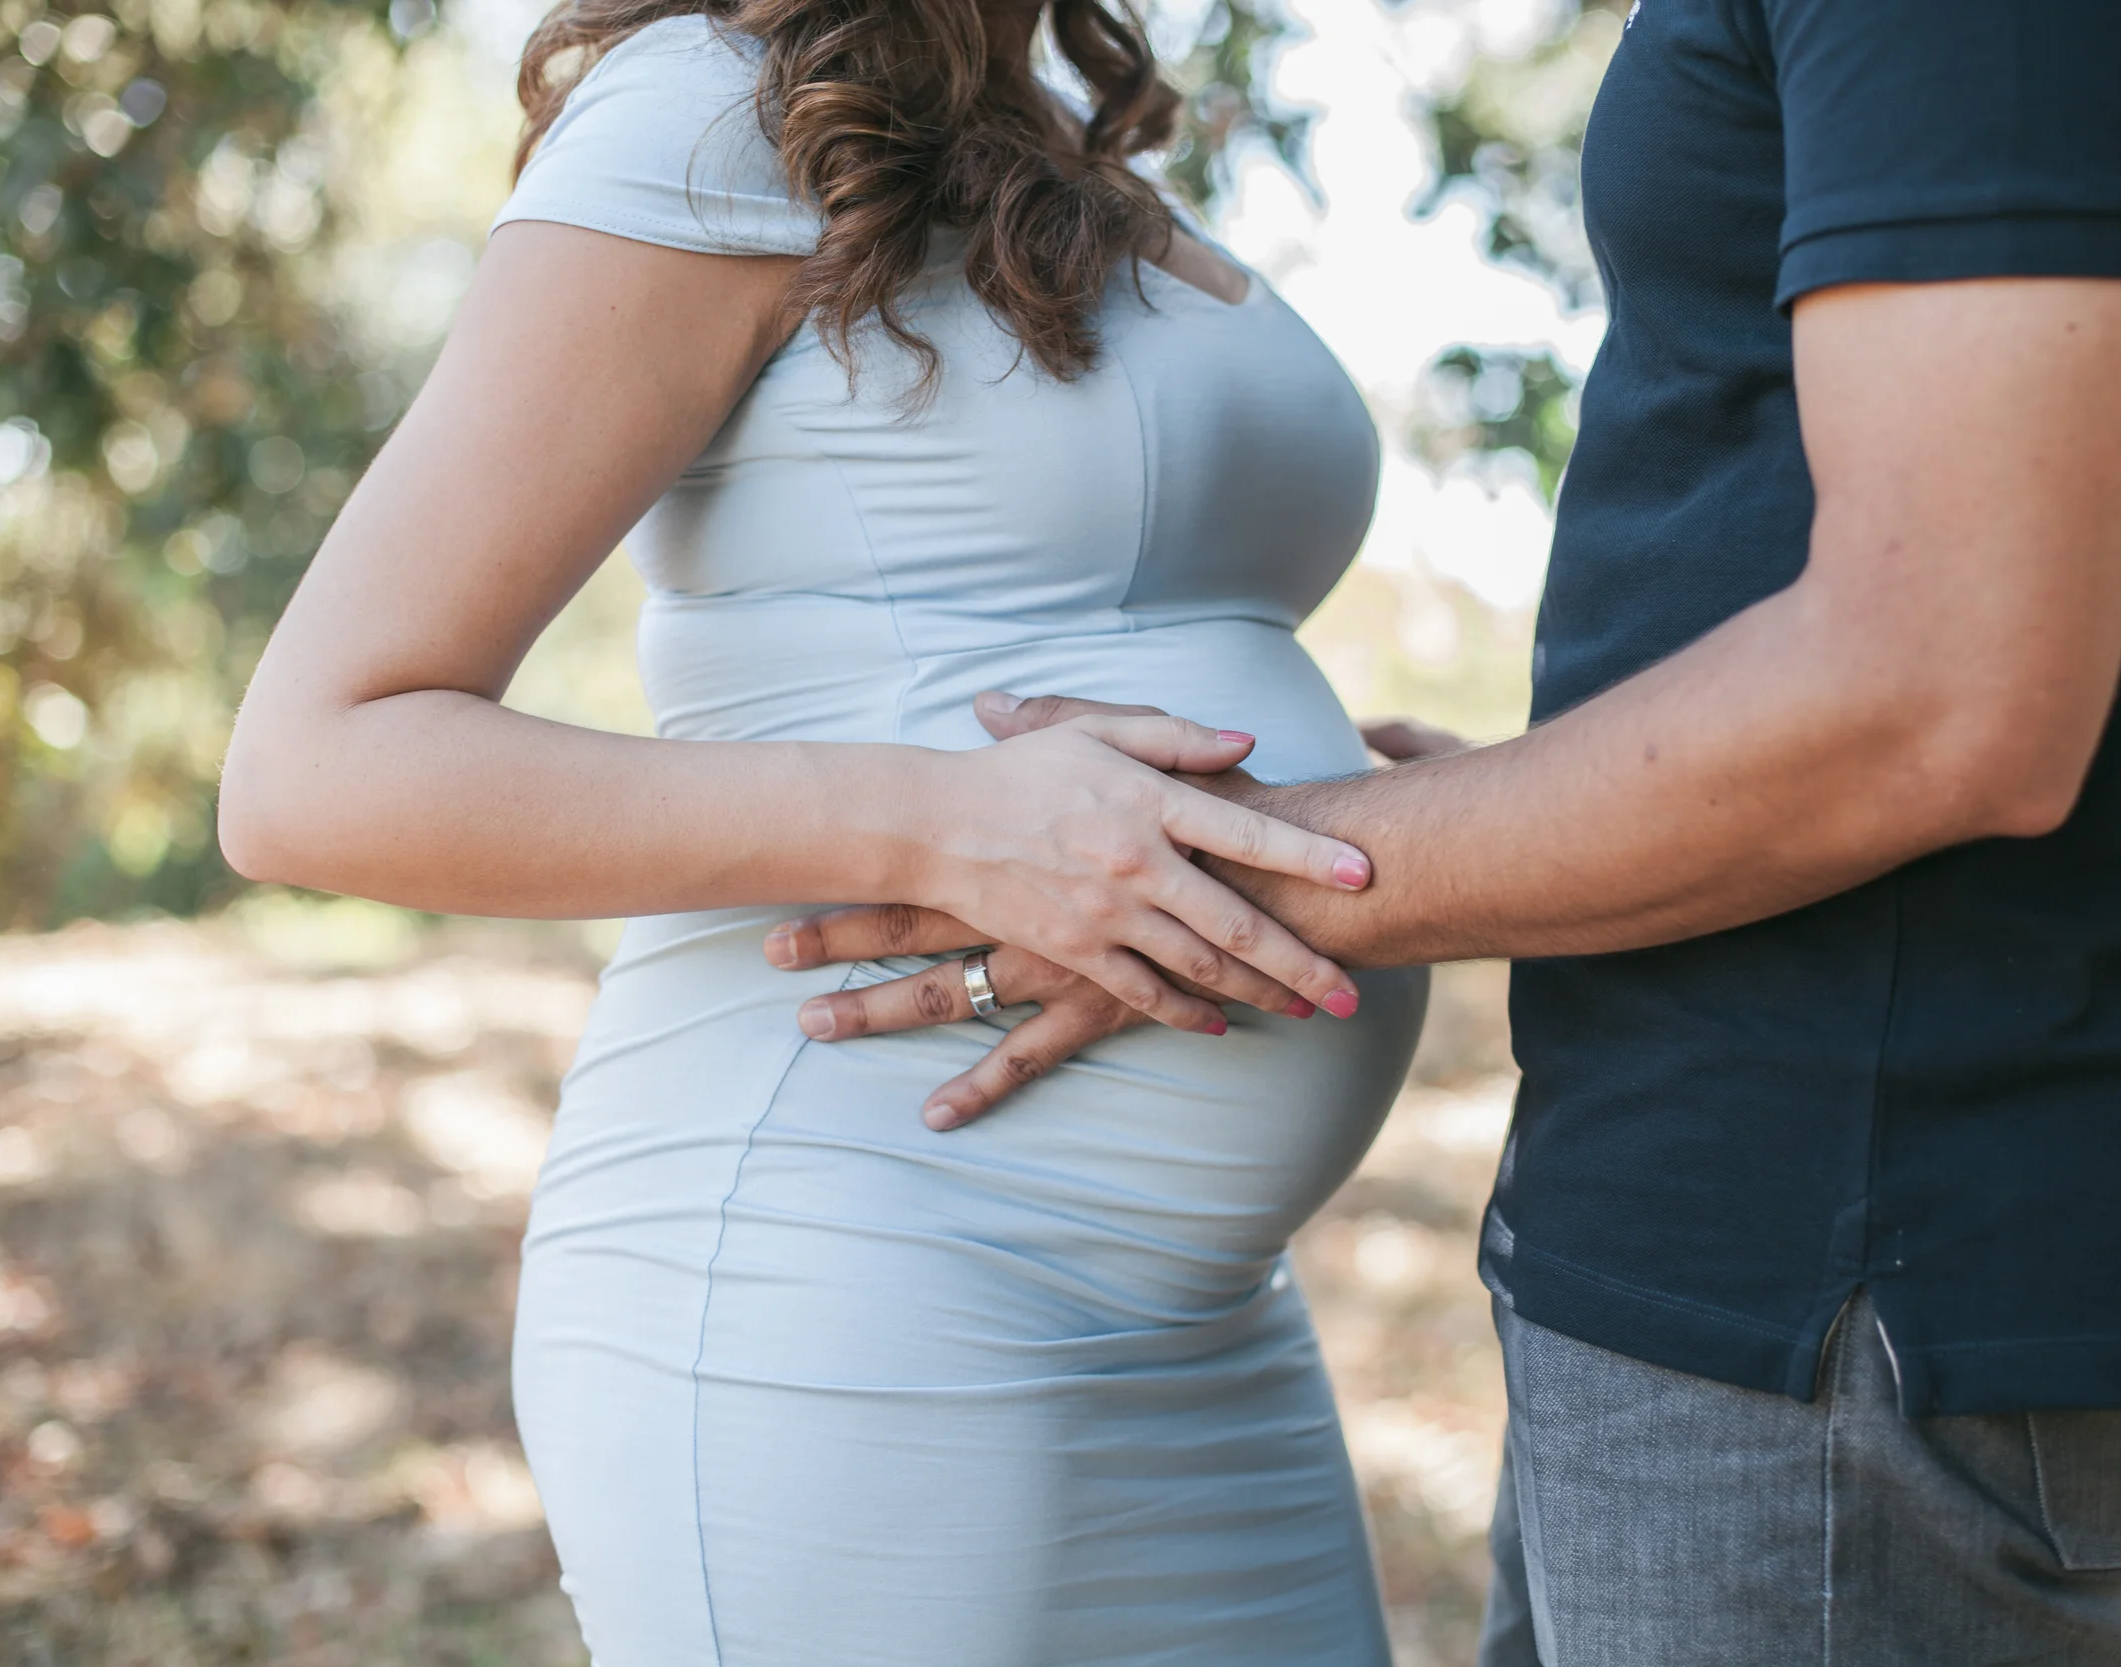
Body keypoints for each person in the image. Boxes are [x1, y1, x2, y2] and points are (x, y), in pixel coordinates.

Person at [770, 1, 2121, 1661]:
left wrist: (1199, 870)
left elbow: (1943, 692)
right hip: (1756, 1243)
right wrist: (1515, 797)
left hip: (1847, 1252)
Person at [216, 0, 1441, 1660]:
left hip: (1199, 1316)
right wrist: (947, 826)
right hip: (849, 1261)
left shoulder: (1056, 137)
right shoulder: (720, 113)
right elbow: (313, 767)